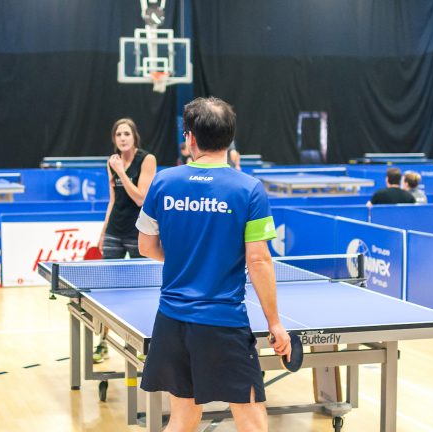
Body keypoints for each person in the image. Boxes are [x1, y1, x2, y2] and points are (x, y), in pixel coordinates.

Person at [135, 97, 291, 432]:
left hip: (172, 320)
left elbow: (146, 246)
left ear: (190, 138)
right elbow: (258, 260)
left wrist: (185, 257)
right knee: (251, 418)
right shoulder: (249, 189)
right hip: (223, 323)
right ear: (230, 138)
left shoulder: (163, 182)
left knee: (183, 418)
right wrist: (275, 323)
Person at [93, 118, 157, 363]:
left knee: (142, 290)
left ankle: (144, 342)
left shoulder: (147, 160)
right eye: (118, 134)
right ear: (114, 139)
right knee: (107, 291)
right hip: (115, 231)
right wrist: (103, 232)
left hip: (138, 232)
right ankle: (102, 343)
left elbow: (141, 198)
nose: (122, 138)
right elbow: (113, 200)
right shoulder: (111, 162)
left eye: (126, 133)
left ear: (134, 136)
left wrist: (121, 172)